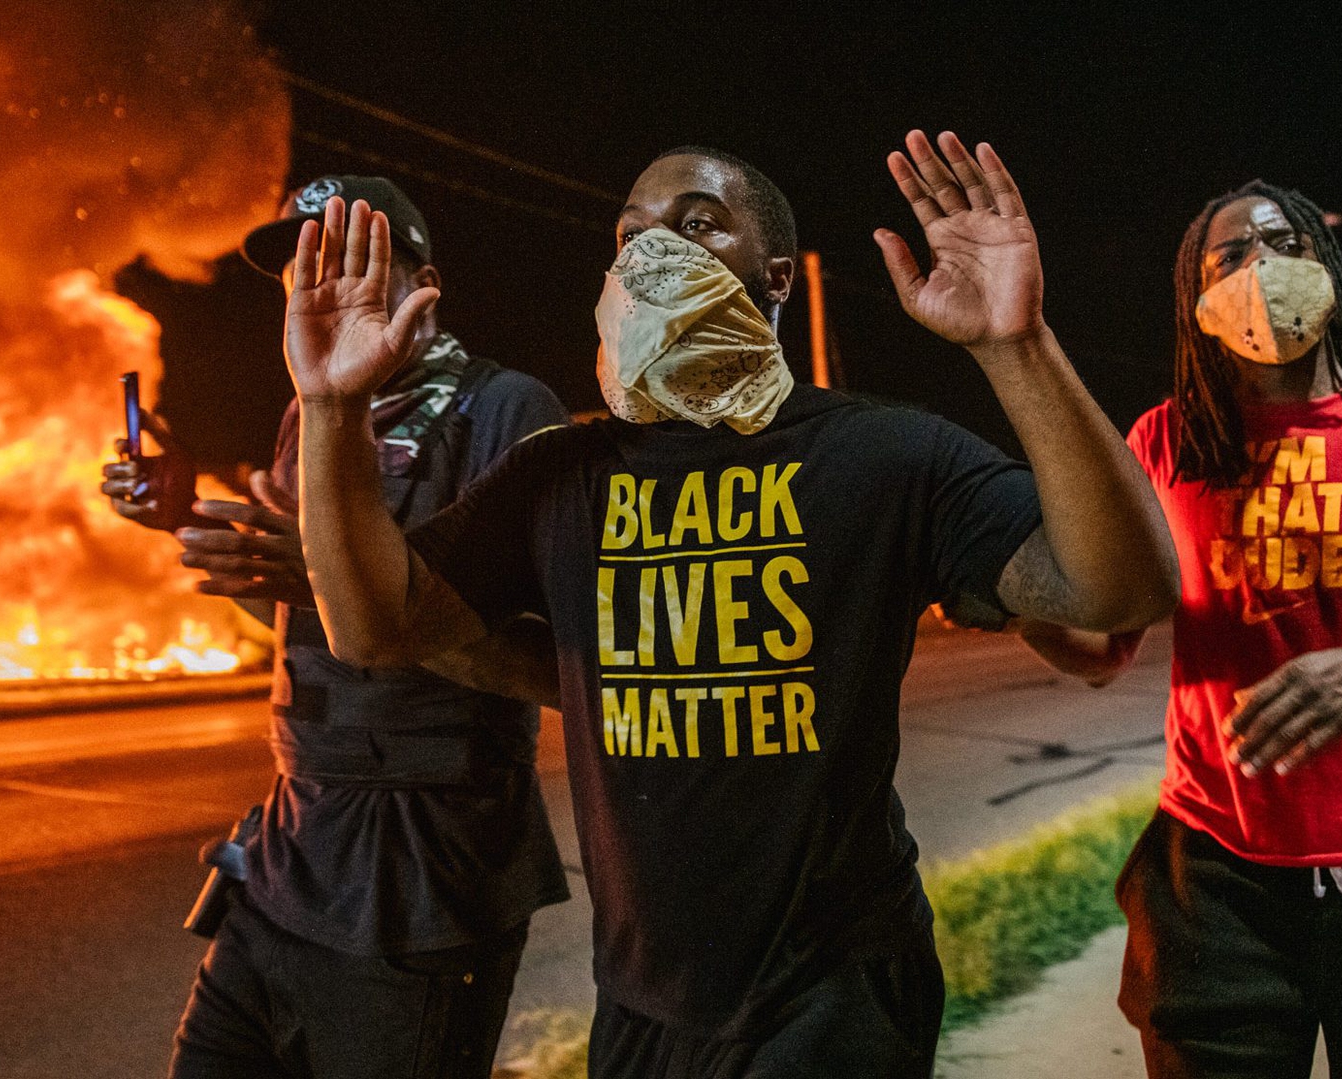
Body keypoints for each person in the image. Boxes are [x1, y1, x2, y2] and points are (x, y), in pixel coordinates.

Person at [278, 132, 1179, 1078]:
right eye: (629, 236)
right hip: (642, 1006)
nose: (651, 250)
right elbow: (376, 626)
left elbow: (1120, 589)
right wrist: (331, 408)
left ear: (776, 277)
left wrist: (1016, 344)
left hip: (834, 996)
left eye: (698, 224)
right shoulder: (562, 477)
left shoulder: (881, 456)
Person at [1020, 180, 1342, 1078]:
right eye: (1230, 257)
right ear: (1197, 302)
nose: (1262, 266)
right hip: (1219, 880)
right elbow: (1103, 648)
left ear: (1327, 266)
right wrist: (1008, 602)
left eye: (1284, 242)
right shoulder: (1163, 442)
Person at [102, 174, 573, 1079]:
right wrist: (185, 520)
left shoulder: (506, 412)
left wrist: (340, 589)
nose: (325, 280)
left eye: (355, 256)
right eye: (305, 264)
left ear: (424, 283)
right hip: (287, 856)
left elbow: (566, 671)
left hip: (423, 872)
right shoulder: (309, 419)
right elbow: (292, 614)